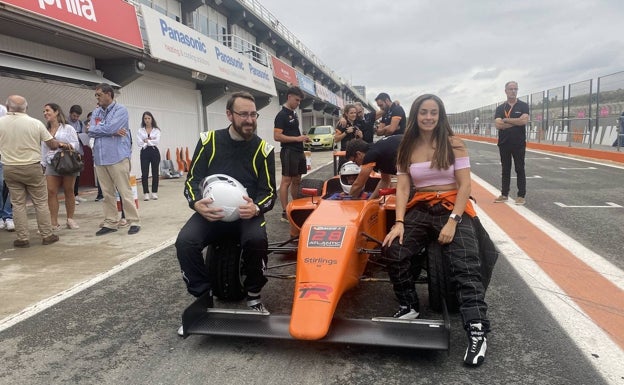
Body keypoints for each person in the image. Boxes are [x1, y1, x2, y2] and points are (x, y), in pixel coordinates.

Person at [382, 94, 492, 366]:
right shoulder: (407, 146)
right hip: (421, 207)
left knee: (466, 264)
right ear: (415, 115)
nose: (428, 117)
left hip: (452, 206)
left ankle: (477, 328)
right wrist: (399, 222)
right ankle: (409, 305)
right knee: (393, 250)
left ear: (440, 116)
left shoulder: (454, 143)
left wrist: (453, 220)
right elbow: (404, 188)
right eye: (423, 112)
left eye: (433, 112)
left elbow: (465, 187)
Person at [175, 91, 276, 333]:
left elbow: (269, 192)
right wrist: (196, 202)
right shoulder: (209, 140)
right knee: (185, 242)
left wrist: (256, 207)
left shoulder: (264, 149)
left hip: (245, 215)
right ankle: (203, 298)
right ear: (229, 115)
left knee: (256, 240)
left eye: (253, 114)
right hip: (212, 213)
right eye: (243, 114)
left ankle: (254, 296)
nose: (249, 120)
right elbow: (193, 178)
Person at [0, 95, 62, 247]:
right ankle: (47, 235)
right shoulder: (35, 123)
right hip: (32, 167)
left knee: (18, 204)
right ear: (26, 108)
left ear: (8, 108)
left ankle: (22, 238)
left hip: (10, 167)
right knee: (40, 202)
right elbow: (52, 145)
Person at [88, 83, 141, 235]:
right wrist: (107, 131)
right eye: (96, 95)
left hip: (117, 157)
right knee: (107, 193)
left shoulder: (121, 110)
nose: (97, 98)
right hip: (100, 158)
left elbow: (108, 128)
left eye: (99, 94)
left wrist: (103, 130)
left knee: (124, 191)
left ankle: (134, 221)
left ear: (108, 94)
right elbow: (91, 130)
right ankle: (110, 222)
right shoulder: (96, 112)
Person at [41, 103, 81, 230]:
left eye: (48, 110)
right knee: (51, 191)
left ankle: (70, 219)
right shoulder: (45, 130)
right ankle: (54, 222)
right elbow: (43, 149)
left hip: (67, 161)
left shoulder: (68, 128)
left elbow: (76, 145)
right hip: (51, 162)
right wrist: (42, 164)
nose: (45, 113)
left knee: (69, 190)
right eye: (44, 111)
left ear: (56, 112)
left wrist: (61, 144)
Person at [273, 86, 309, 222]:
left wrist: (303, 138)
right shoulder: (281, 115)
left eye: (300, 101)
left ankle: (296, 207)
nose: (298, 103)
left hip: (299, 151)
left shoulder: (293, 114)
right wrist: (297, 139)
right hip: (289, 151)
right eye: (297, 100)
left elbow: (293, 133)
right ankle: (285, 212)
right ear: (289, 97)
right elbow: (277, 136)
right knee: (286, 181)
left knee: (297, 180)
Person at [494, 81, 530, 205]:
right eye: (510, 89)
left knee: (520, 168)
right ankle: (504, 194)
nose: (513, 91)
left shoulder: (523, 105)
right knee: (505, 169)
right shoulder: (500, 108)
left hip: (519, 143)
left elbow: (524, 121)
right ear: (506, 91)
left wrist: (506, 120)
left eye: (515, 89)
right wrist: (516, 121)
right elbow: (498, 125)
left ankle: (521, 196)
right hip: (504, 143)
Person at [136, 111, 161, 201]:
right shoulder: (140, 130)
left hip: (154, 152)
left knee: (155, 173)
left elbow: (156, 141)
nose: (147, 120)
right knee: (144, 173)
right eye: (145, 118)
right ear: (143, 120)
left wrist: (146, 140)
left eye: (149, 118)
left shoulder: (156, 130)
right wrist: (148, 141)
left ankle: (154, 192)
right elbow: (139, 142)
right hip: (144, 151)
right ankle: (146, 193)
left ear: (152, 119)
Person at [67, 105, 86, 205]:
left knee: (78, 173)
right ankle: (70, 196)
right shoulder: (65, 122)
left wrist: (80, 135)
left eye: (77, 116)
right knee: (70, 174)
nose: (75, 118)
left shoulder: (80, 123)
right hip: (69, 150)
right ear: (70, 113)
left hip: (78, 151)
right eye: (74, 116)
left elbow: (83, 135)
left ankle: (76, 194)